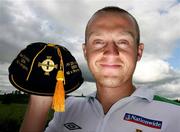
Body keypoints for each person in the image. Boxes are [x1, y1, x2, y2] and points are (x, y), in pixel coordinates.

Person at [20, 6, 180, 132]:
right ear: (85, 52)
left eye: (123, 41)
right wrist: (40, 99)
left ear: (138, 52)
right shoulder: (69, 108)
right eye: (98, 41)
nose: (111, 51)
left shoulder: (174, 114)